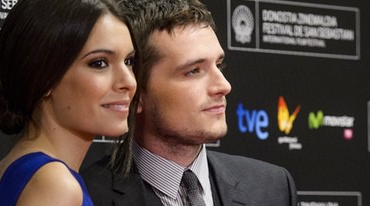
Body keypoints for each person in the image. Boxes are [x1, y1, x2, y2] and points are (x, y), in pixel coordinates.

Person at [81, 0, 298, 205]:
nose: (223, 86)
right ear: (136, 91)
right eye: (193, 71)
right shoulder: (85, 197)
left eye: (219, 65)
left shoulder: (273, 187)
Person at [0, 0, 137, 205]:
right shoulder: (55, 184)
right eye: (99, 63)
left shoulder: (3, 173)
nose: (129, 82)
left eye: (129, 61)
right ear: (44, 76)